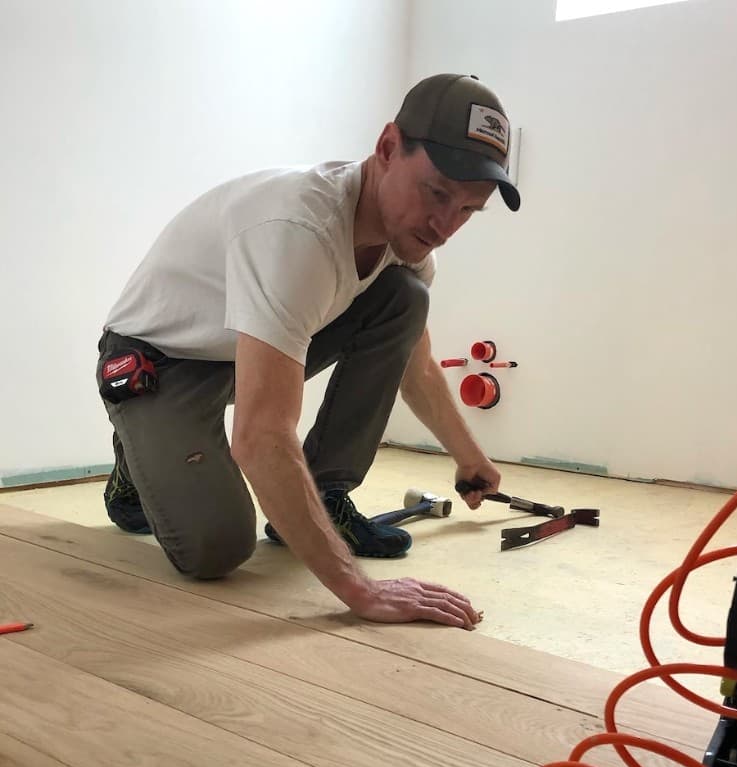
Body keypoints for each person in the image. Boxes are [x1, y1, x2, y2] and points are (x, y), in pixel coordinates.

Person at [96, 73, 520, 630]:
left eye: (468, 210)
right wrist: (359, 590)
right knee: (215, 552)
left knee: (403, 299)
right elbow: (261, 435)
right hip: (155, 363)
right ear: (388, 148)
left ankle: (326, 491)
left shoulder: (409, 246)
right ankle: (135, 461)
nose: (445, 226)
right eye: (437, 193)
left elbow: (413, 364)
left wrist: (469, 456)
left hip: (236, 352)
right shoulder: (298, 231)